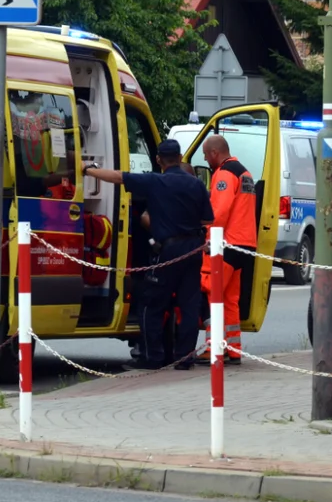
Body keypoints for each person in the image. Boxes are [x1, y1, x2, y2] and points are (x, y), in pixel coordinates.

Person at [83, 139, 212, 370]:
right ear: (181, 158)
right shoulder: (197, 185)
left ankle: (153, 358)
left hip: (168, 252)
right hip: (193, 250)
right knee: (189, 306)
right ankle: (185, 359)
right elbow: (208, 219)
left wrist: (88, 170)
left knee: (151, 305)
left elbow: (118, 177)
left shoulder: (155, 181)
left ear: (159, 160)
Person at [200, 134, 257, 364]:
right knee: (230, 299)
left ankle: (214, 348)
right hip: (245, 245)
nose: (205, 160)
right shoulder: (245, 173)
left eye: (206, 155)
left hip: (226, 244)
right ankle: (234, 349)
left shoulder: (224, 174)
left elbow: (219, 211)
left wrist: (208, 237)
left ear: (215, 153)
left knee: (213, 294)